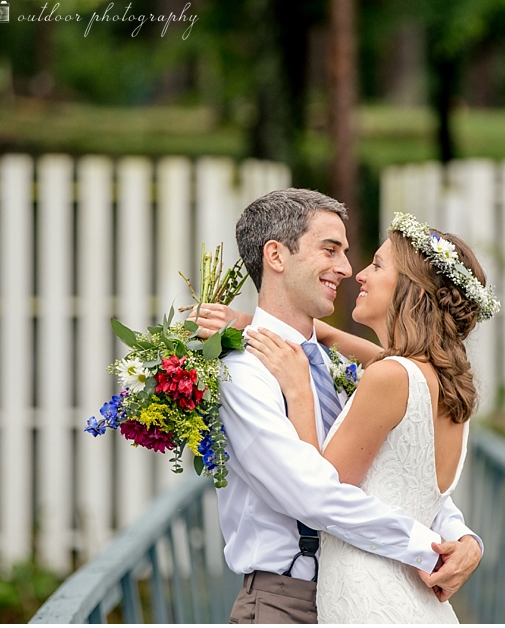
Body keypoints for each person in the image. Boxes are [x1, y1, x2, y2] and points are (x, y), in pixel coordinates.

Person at [194, 189, 485, 624]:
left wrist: (461, 537)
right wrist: (430, 547)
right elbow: (314, 494)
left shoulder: (345, 368)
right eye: (331, 250)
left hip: (366, 589)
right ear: (276, 255)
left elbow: (398, 476)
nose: (350, 270)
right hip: (286, 601)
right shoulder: (244, 370)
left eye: (358, 257)